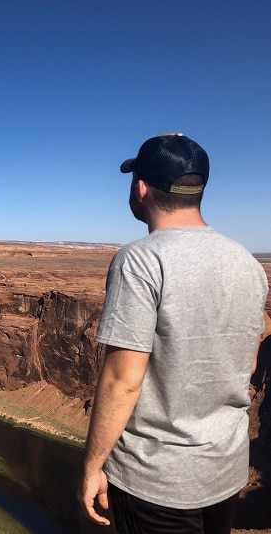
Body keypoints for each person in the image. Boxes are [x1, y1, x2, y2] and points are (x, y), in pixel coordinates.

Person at [78, 133, 269, 533]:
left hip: (156, 481)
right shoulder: (248, 263)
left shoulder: (140, 260)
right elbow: (249, 362)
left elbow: (122, 379)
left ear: (141, 188)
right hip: (226, 473)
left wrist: (93, 465)